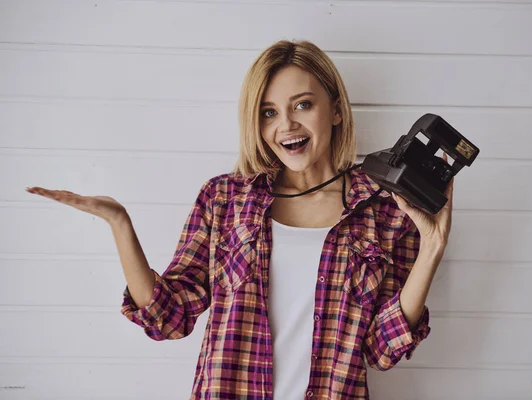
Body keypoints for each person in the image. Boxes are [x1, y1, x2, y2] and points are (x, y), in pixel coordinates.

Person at [25, 39, 453, 399]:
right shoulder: (225, 199)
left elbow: (381, 350)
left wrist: (432, 248)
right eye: (268, 112)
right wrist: (120, 223)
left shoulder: (385, 211)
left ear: (336, 109)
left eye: (302, 104)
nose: (286, 125)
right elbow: (168, 318)